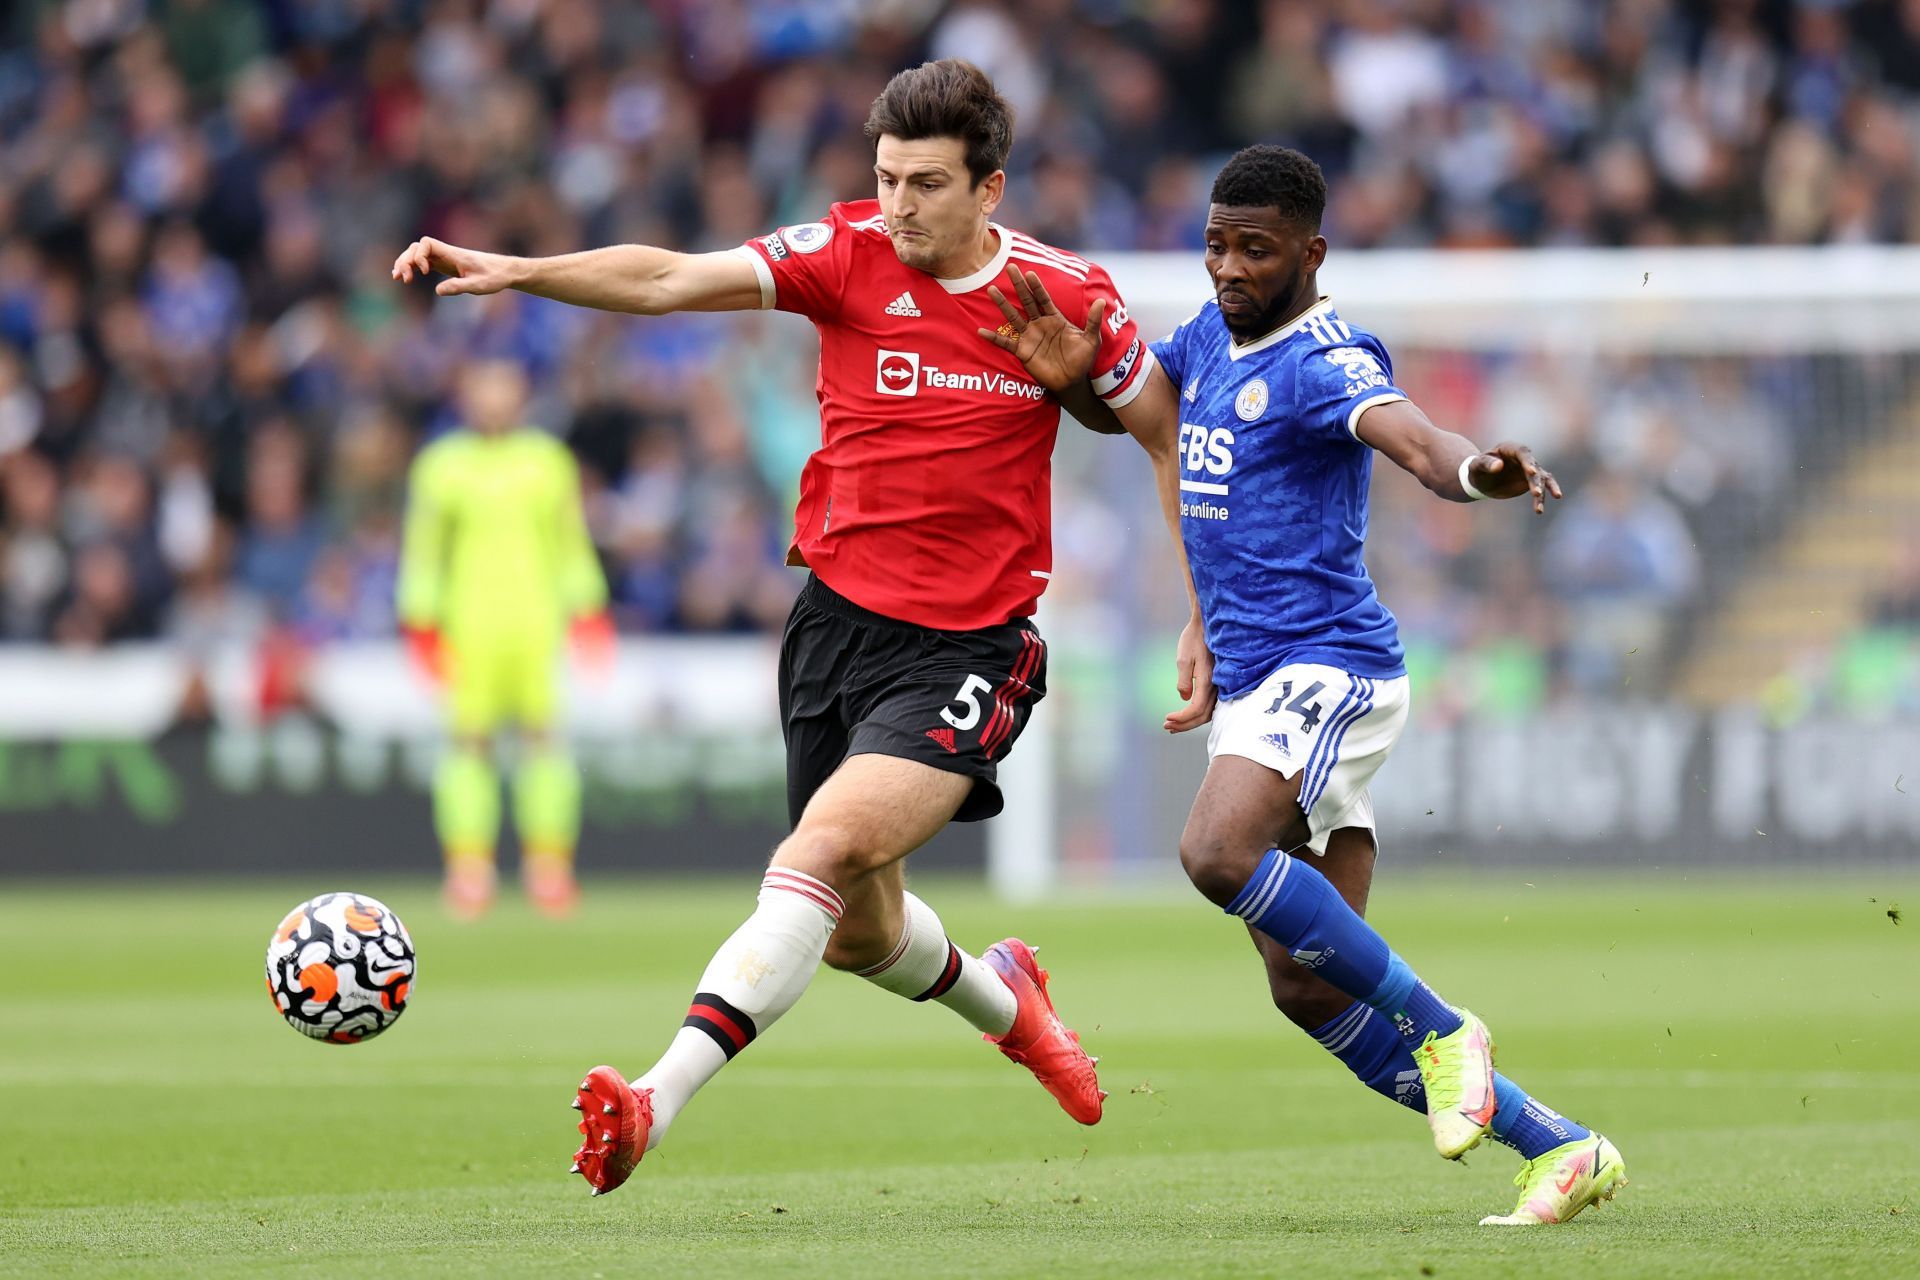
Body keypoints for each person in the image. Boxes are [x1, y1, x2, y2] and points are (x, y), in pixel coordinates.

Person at [392, 60, 1178, 1195]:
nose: (898, 204)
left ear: (991, 190)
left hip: (969, 645)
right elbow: (668, 277)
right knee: (858, 931)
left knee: (813, 852)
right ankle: (1013, 1003)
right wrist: (519, 271)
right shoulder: (846, 253)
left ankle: (652, 1100)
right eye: (886, 177)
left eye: (926, 183)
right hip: (832, 629)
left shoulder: (1062, 295)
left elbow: (1162, 432)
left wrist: (1088, 408)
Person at [988, 144, 1626, 1227]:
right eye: (1216, 246)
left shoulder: (1327, 356)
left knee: (1212, 851)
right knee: (1307, 983)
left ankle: (1444, 1025)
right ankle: (1560, 1145)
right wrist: (1074, 382)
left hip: (1330, 666)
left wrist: (1480, 472)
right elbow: (1148, 417)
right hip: (1258, 682)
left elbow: (1418, 442)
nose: (1229, 268)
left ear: (1312, 252)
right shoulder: (1208, 337)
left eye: (1256, 249)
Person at [395, 358, 615, 920]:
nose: (494, 399)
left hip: (536, 624)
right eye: (484, 387)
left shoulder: (547, 462)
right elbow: (423, 551)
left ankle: (549, 867)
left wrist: (588, 609)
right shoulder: (442, 466)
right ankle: (469, 869)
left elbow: (570, 544)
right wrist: (419, 619)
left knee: (544, 743)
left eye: (504, 387)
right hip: (468, 626)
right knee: (470, 745)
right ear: (466, 396)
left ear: (521, 396)